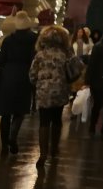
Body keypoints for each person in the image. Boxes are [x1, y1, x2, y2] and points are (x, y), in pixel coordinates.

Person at [0, 11, 37, 155]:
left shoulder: (8, 40)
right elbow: (35, 58)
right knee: (19, 111)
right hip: (25, 75)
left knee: (5, 113)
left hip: (8, 76)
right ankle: (13, 137)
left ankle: (4, 146)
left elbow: (0, 60)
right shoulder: (34, 39)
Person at [29, 25, 72, 169]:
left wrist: (39, 83)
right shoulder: (64, 54)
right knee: (57, 120)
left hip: (44, 92)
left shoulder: (40, 55)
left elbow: (32, 75)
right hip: (60, 91)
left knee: (44, 122)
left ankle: (43, 154)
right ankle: (54, 149)